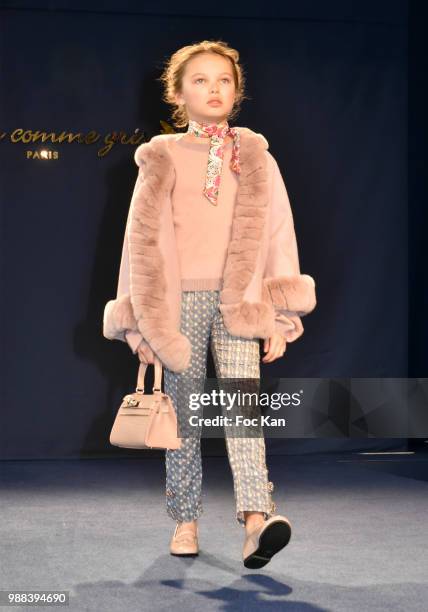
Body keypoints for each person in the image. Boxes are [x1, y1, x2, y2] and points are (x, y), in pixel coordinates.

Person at [103, 40, 317, 569]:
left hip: (239, 304)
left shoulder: (257, 156)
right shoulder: (161, 155)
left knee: (245, 411)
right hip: (178, 307)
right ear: (178, 94)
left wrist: (281, 315)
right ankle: (185, 518)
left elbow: (278, 235)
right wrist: (141, 326)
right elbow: (140, 243)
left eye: (223, 80)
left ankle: (255, 521)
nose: (213, 89)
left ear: (237, 91)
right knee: (184, 417)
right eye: (199, 80)